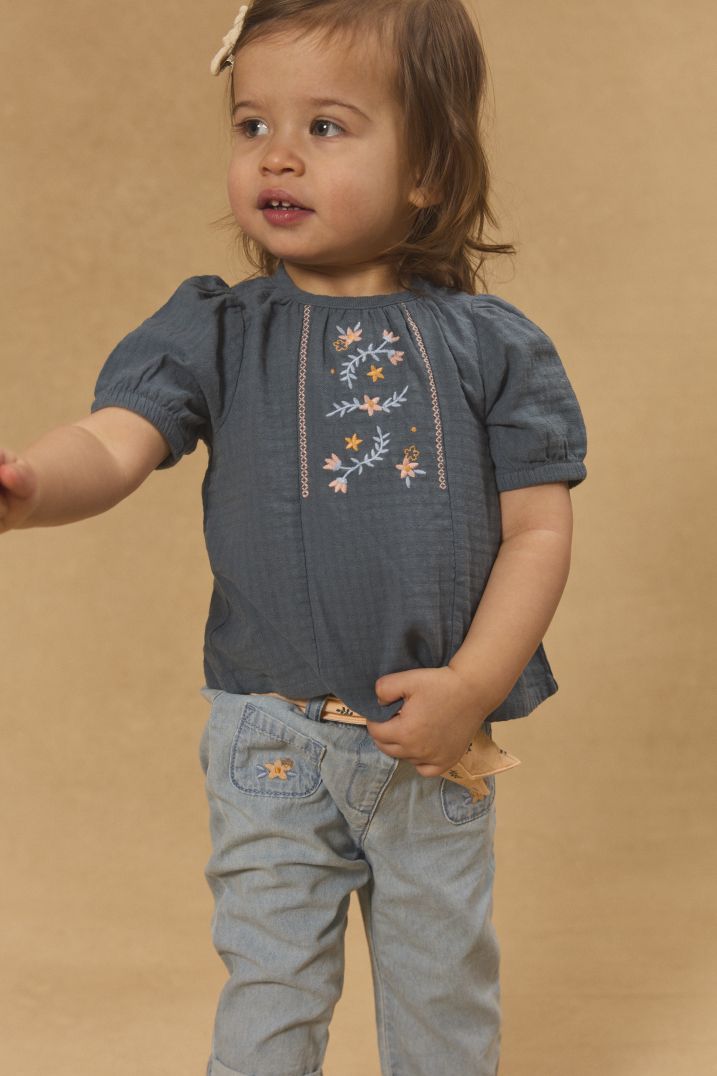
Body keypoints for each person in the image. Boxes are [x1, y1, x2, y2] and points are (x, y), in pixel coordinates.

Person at [0, 1, 588, 1073]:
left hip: (431, 738)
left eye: (324, 126)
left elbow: (538, 533)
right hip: (268, 737)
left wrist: (472, 686)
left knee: (443, 995)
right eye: (250, 124)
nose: (276, 154)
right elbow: (113, 439)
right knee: (270, 991)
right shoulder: (217, 328)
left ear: (427, 170)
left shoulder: (491, 347)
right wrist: (32, 486)